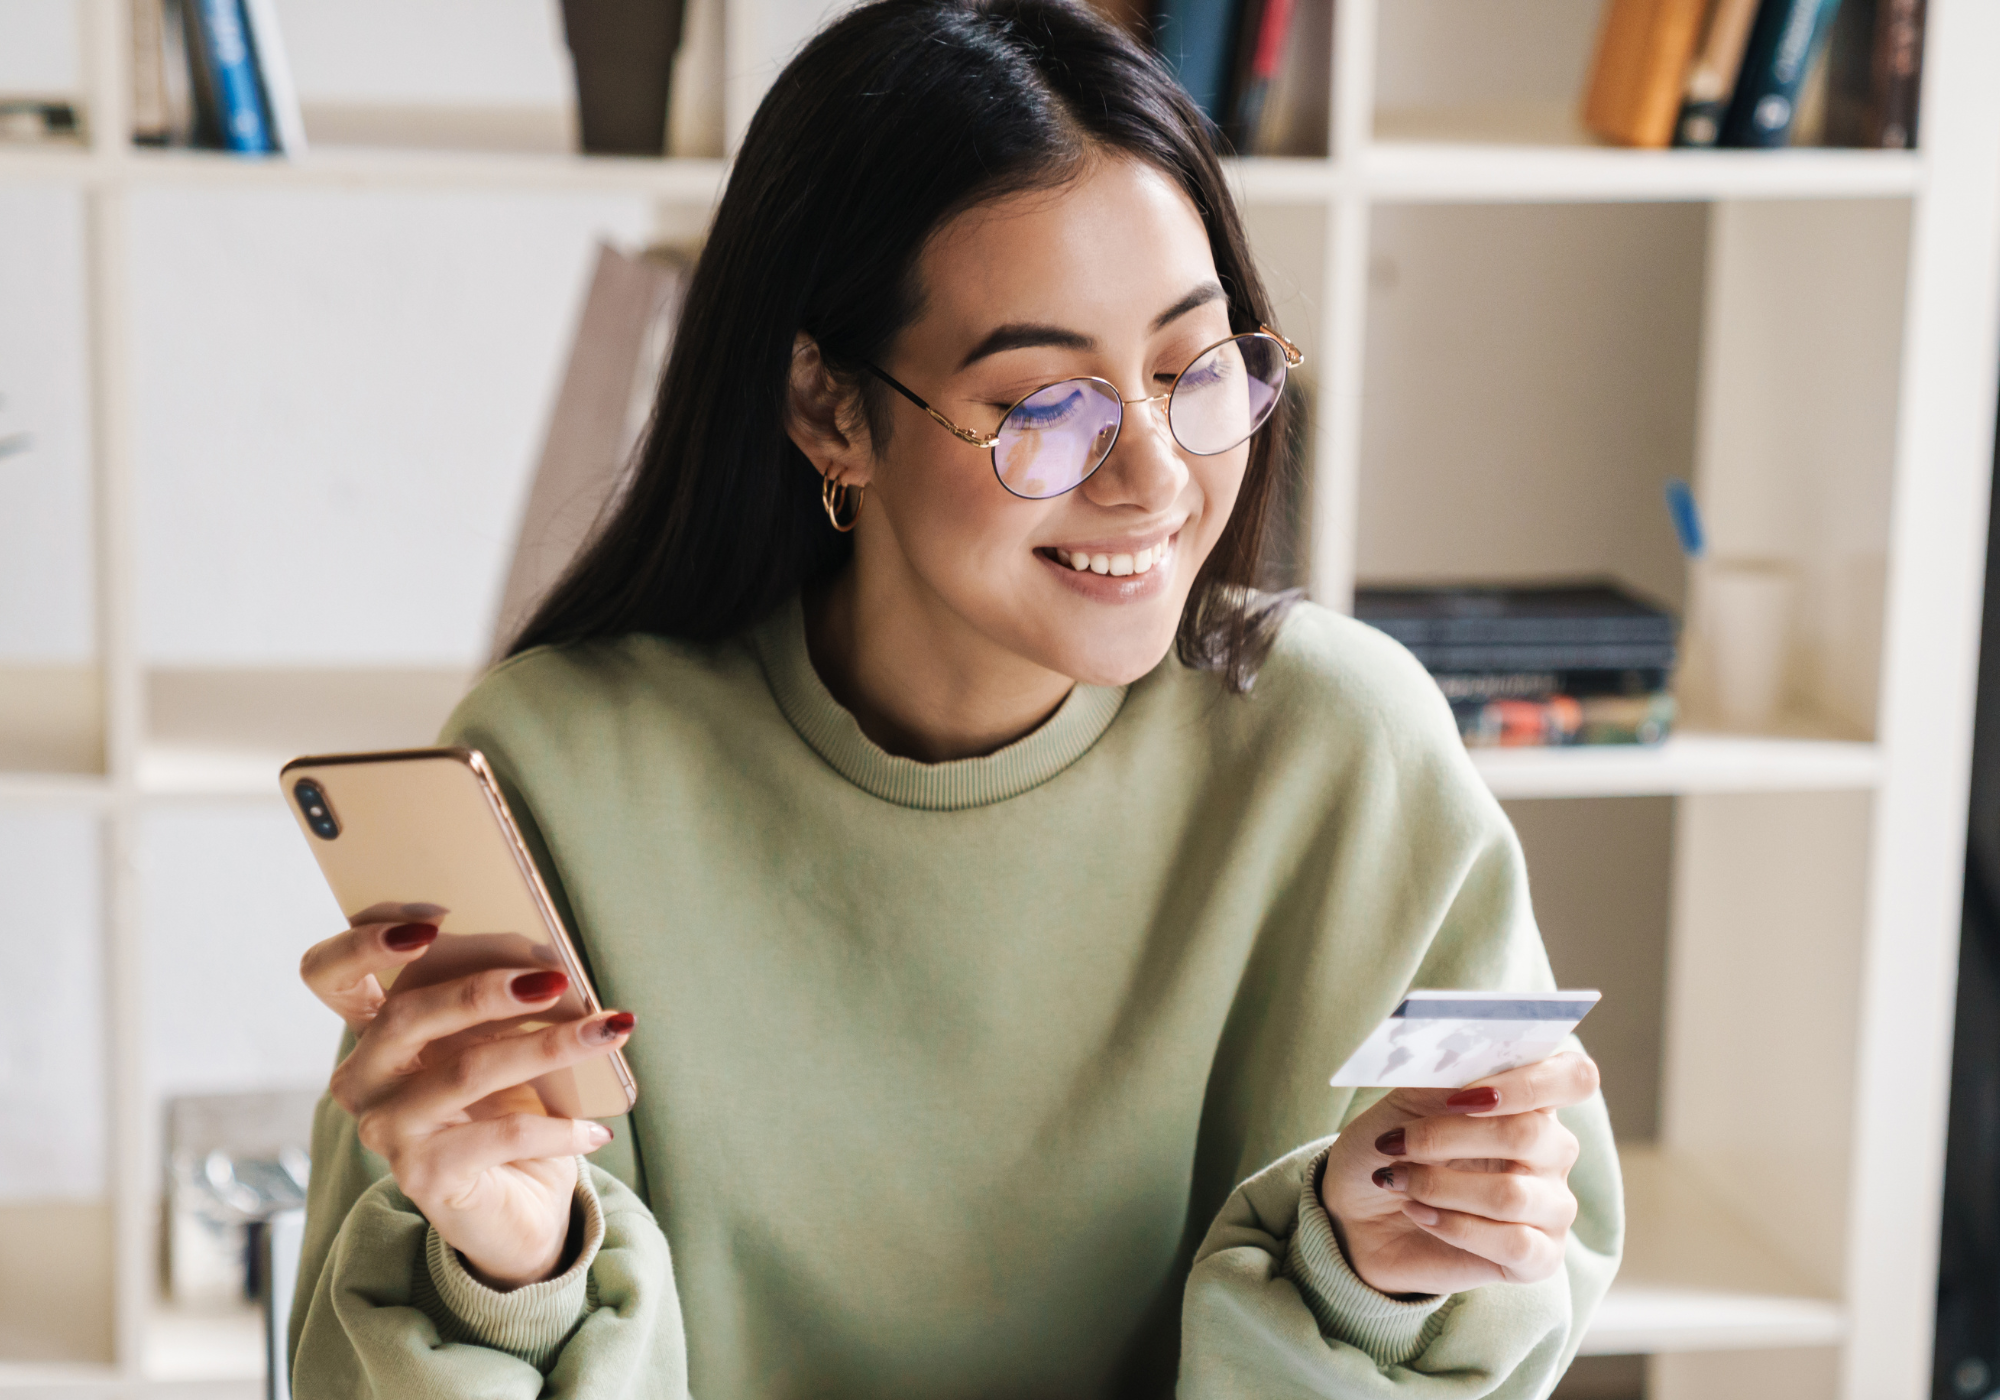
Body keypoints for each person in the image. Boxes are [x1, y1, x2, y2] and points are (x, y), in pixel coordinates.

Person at [287, 0, 1620, 1393]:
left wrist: (1385, 1273)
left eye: (1195, 366)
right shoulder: (556, 776)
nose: (1156, 479)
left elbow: (1500, 1310)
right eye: (1049, 407)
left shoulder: (1346, 757)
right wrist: (510, 1271)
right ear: (829, 408)